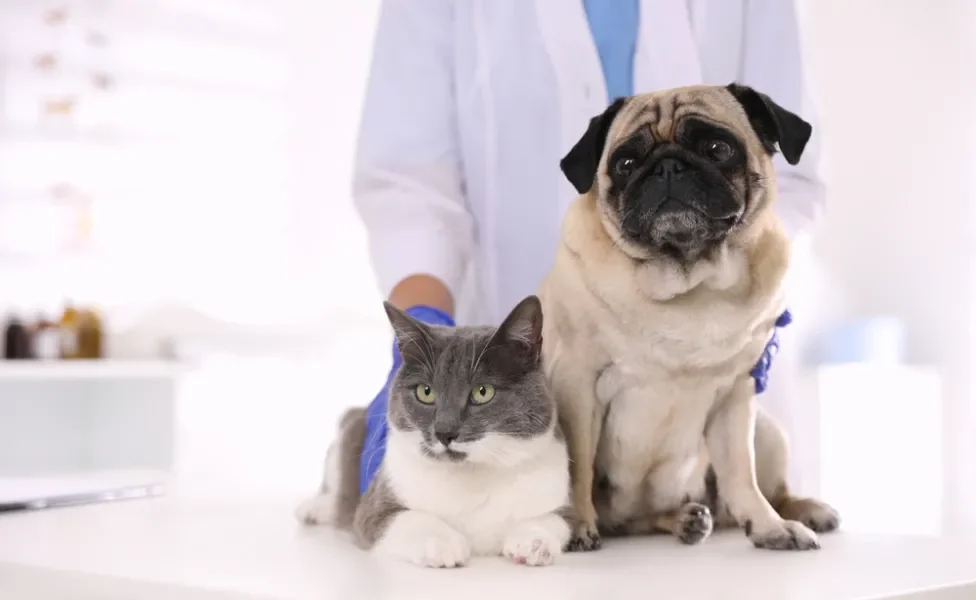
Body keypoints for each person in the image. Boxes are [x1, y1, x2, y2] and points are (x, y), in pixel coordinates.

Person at [353, 0, 824, 495]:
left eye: (710, 150)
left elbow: (791, 171)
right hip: (499, 398)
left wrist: (757, 303)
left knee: (732, 552)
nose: (669, 174)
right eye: (633, 165)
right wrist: (425, 334)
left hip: (716, 402)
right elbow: (408, 181)